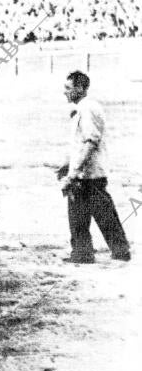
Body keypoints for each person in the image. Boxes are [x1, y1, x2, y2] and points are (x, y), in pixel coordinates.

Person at [59, 71, 131, 263]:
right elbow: (80, 142)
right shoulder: (83, 108)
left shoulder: (87, 108)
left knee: (102, 214)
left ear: (80, 88)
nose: (64, 92)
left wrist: (73, 173)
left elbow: (91, 141)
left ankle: (119, 251)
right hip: (85, 173)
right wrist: (68, 166)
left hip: (89, 175)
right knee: (79, 216)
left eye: (68, 88)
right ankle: (84, 253)